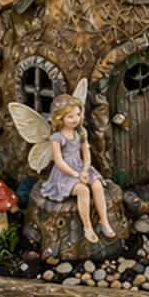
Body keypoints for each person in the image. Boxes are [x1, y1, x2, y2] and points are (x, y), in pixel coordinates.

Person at [40, 94, 117, 243]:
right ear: (60, 118)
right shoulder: (57, 137)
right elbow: (59, 161)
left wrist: (85, 169)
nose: (75, 119)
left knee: (97, 185)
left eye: (77, 114)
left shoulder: (81, 133)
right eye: (70, 116)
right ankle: (87, 227)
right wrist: (76, 174)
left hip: (80, 167)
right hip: (64, 172)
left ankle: (104, 221)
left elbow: (86, 155)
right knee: (83, 190)